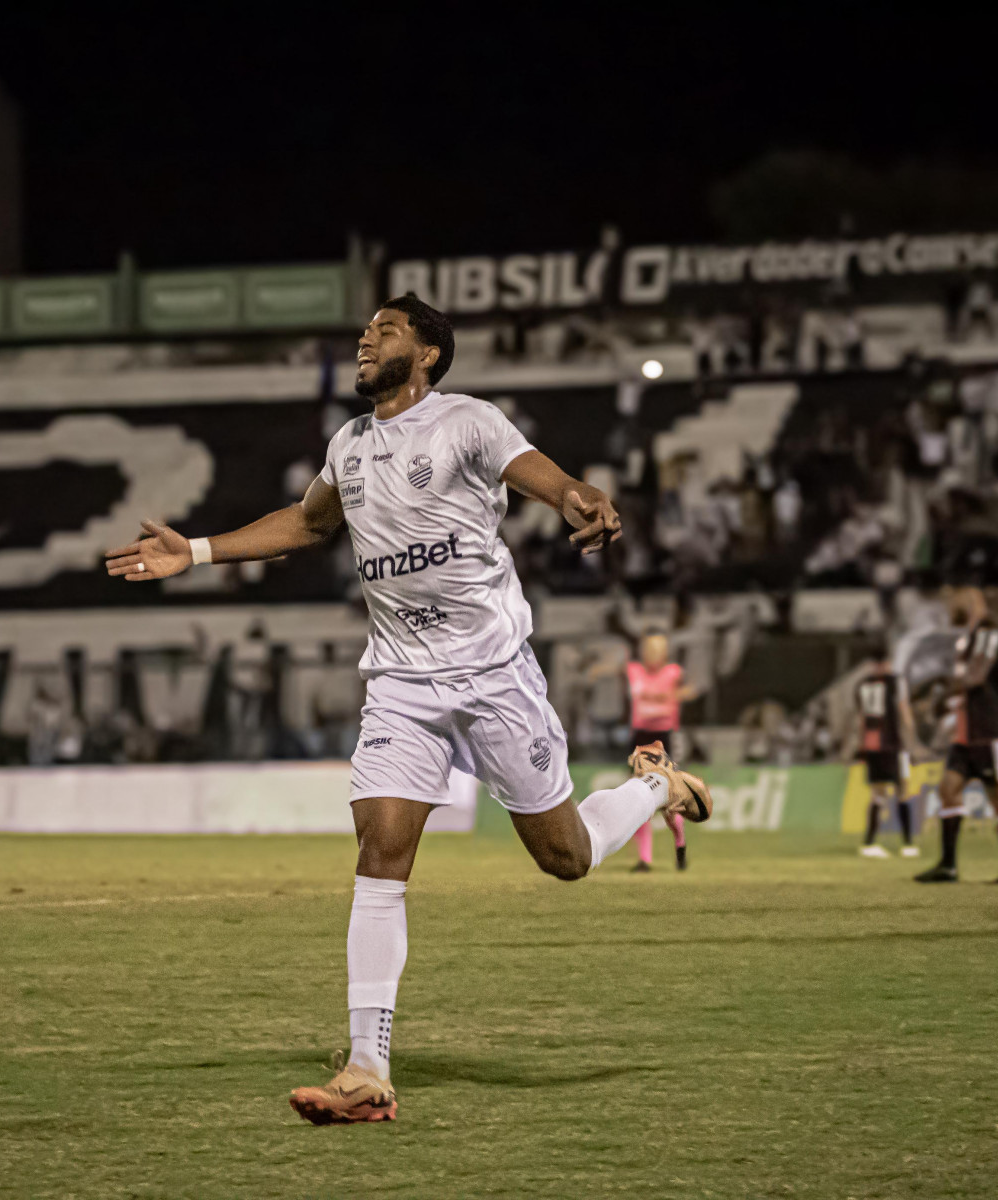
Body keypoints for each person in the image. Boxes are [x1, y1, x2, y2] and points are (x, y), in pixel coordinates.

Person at [105, 294, 713, 1125]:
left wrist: (579, 497)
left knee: (565, 857)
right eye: (365, 332)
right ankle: (366, 1066)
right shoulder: (349, 445)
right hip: (401, 682)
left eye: (386, 331)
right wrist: (198, 550)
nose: (367, 340)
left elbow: (544, 474)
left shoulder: (467, 422)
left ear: (427, 352)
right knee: (381, 845)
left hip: (495, 675)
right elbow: (308, 522)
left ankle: (655, 790)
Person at [914, 583, 998, 885]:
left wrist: (941, 690)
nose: (950, 609)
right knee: (947, 789)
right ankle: (948, 866)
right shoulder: (969, 637)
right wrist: (946, 699)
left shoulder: (988, 630)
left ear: (968, 602)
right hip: (965, 733)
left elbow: (976, 676)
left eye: (953, 603)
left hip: (987, 731)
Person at [590, 632, 702, 872]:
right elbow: (613, 668)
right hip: (640, 740)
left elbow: (693, 689)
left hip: (663, 741)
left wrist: (675, 695)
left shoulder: (673, 673)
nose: (652, 653)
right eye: (648, 648)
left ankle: (680, 844)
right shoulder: (634, 671)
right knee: (639, 801)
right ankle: (644, 860)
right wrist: (598, 670)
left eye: (657, 649)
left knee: (670, 805)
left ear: (664, 653)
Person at [846, 648, 923, 859]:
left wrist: (860, 746)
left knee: (877, 794)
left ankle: (869, 843)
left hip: (872, 746)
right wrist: (913, 743)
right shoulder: (895, 681)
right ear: (888, 661)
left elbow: (861, 719)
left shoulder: (862, 684)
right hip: (892, 744)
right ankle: (908, 844)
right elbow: (903, 711)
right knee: (903, 790)